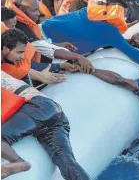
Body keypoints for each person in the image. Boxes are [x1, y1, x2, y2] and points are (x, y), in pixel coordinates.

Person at [1, 34, 91, 179]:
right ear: (5, 49)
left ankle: (19, 163)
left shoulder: (12, 66)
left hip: (35, 106)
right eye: (19, 52)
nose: (22, 56)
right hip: (53, 110)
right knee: (68, 164)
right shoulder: (10, 68)